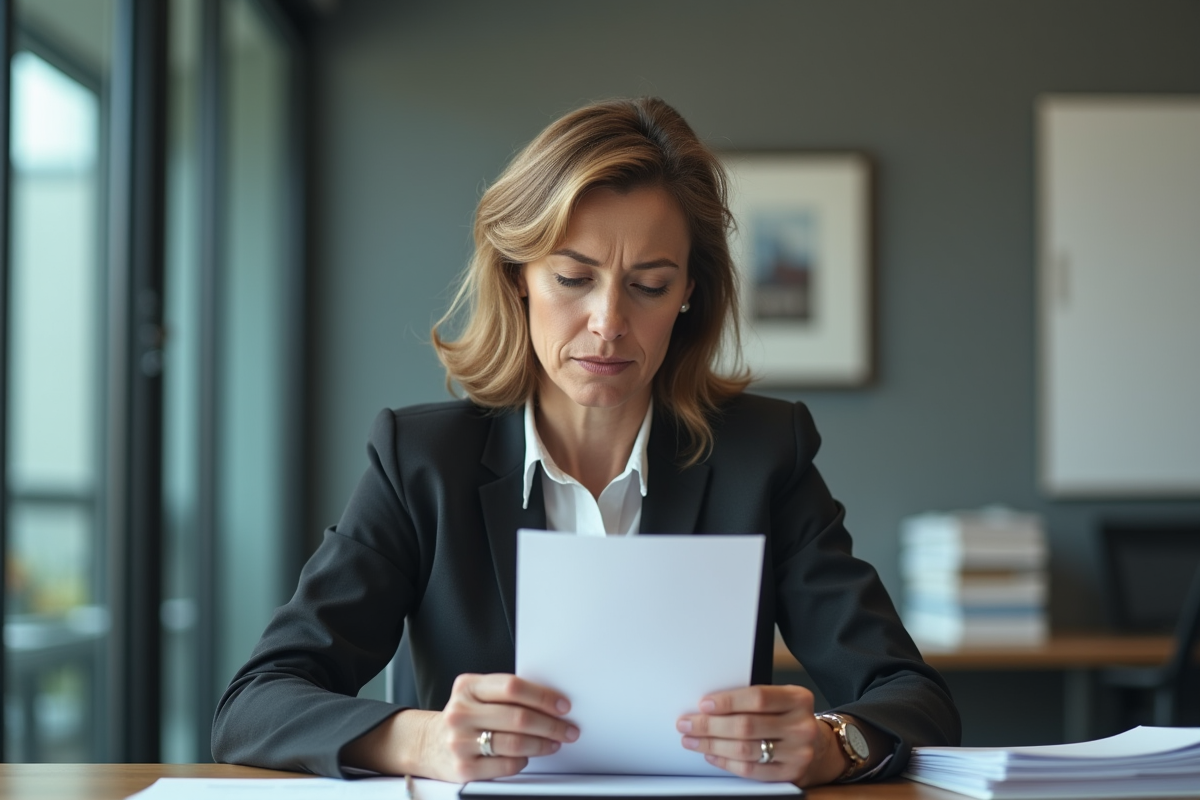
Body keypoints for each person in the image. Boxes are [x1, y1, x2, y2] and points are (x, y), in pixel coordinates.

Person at [211, 97, 960, 787]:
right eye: (573, 277)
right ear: (519, 277)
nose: (608, 323)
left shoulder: (764, 455)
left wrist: (833, 742)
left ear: (689, 294)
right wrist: (422, 740)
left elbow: (911, 696)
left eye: (649, 285)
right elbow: (255, 704)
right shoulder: (420, 462)